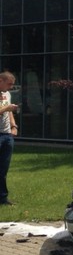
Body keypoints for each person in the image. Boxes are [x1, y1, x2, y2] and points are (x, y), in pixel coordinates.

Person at [0, 71, 19, 206]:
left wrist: (14, 126)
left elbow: (9, 113)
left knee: (3, 169)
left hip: (7, 135)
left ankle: (2, 198)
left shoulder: (7, 94)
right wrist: (7, 107)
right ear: (1, 80)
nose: (11, 87)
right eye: (9, 84)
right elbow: (7, 109)